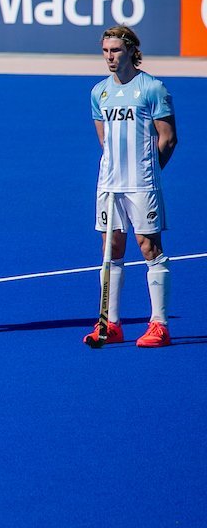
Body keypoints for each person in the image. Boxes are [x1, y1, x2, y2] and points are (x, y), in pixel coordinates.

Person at [84, 26, 177, 348]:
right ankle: (110, 324)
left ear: (131, 51)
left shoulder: (152, 88)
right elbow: (104, 140)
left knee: (149, 247)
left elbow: (167, 137)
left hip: (142, 183)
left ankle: (159, 325)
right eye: (106, 51)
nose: (110, 57)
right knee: (111, 250)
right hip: (109, 185)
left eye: (116, 51)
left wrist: (149, 173)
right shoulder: (99, 92)